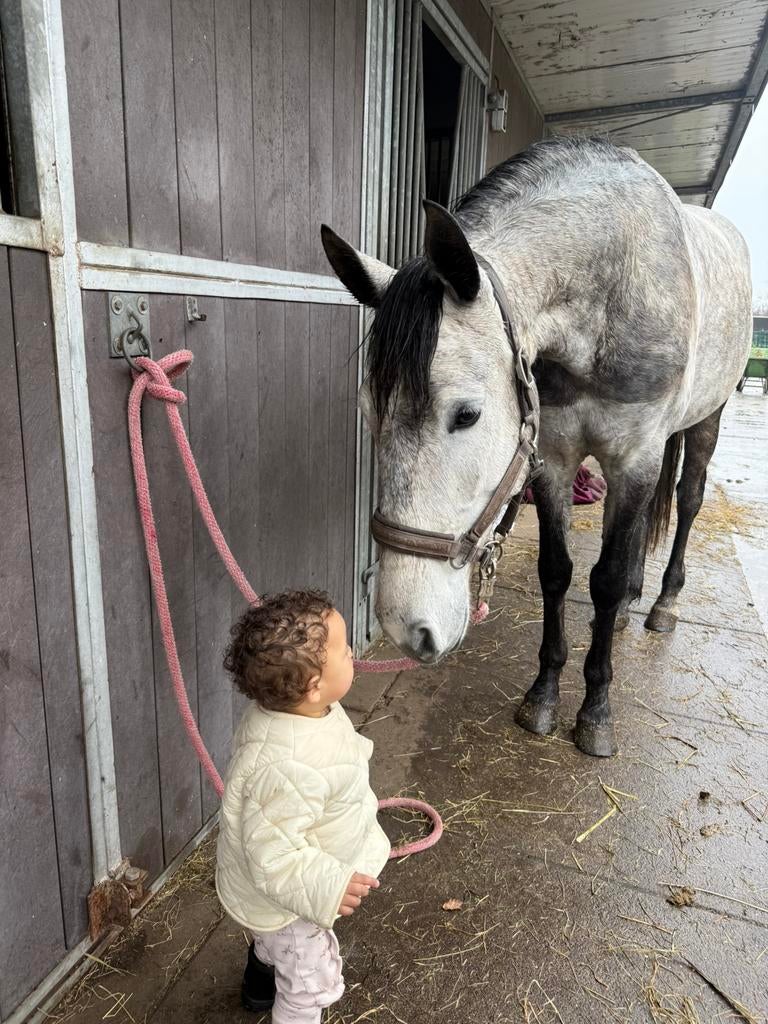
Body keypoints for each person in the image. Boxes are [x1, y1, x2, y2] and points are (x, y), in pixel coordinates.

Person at [216, 590, 390, 1022]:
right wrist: (328, 884)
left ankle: (258, 983)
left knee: (273, 944)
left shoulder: (298, 713)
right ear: (313, 686)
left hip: (282, 892)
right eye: (345, 650)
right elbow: (275, 859)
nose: (352, 653)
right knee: (310, 985)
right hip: (290, 902)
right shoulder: (288, 765)